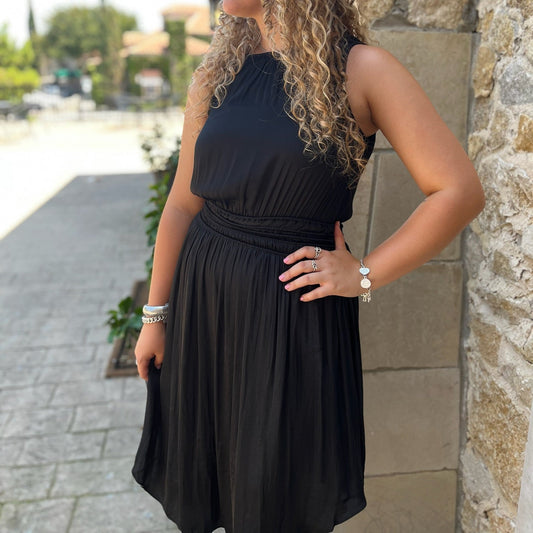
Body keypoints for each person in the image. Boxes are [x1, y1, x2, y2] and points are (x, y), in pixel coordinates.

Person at [132, 1, 485, 532]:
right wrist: (156, 317)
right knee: (215, 476)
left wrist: (362, 274)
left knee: (276, 493)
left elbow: (457, 191)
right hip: (205, 308)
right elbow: (183, 204)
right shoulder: (216, 73)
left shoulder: (363, 70)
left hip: (290, 320)